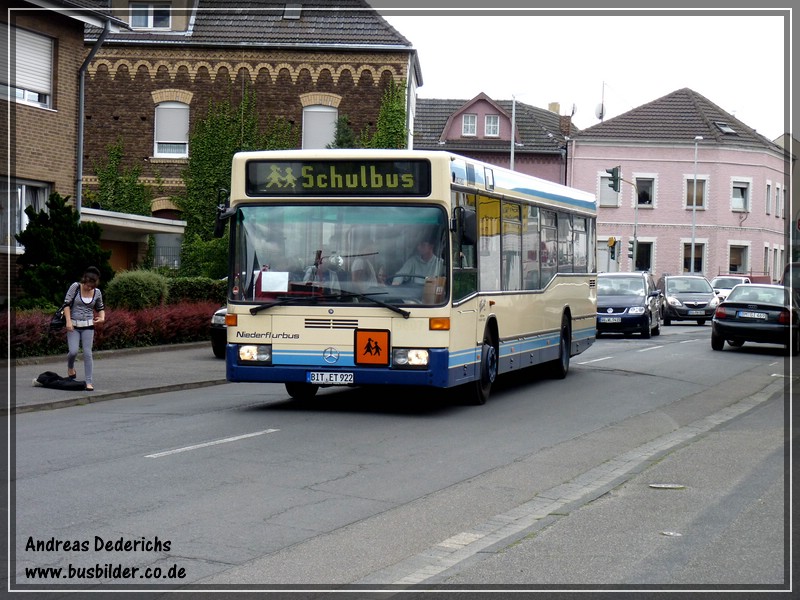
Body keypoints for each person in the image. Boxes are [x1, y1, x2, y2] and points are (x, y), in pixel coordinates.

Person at [64, 266, 106, 391]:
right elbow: (66, 304)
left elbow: (100, 308)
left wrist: (102, 318)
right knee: (73, 351)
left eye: (92, 286)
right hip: (74, 325)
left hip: (88, 326)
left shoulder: (97, 292)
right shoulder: (75, 287)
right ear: (84, 281)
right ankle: (70, 367)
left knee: (88, 353)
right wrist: (68, 321)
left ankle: (89, 382)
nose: (89, 288)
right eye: (87, 285)